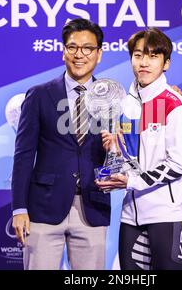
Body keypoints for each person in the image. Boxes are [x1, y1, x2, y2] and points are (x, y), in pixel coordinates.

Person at [11, 18, 110, 270]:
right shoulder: (39, 95)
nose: (79, 55)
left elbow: (127, 141)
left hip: (92, 205)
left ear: (98, 54)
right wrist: (19, 208)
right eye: (72, 47)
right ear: (63, 51)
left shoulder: (111, 97)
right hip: (43, 207)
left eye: (87, 48)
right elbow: (23, 155)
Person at [97, 27, 182, 270]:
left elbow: (177, 165)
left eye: (153, 56)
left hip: (168, 214)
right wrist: (114, 152)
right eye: (138, 55)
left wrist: (131, 181)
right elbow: (129, 159)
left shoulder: (174, 104)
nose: (144, 62)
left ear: (166, 63)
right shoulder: (124, 105)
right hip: (131, 214)